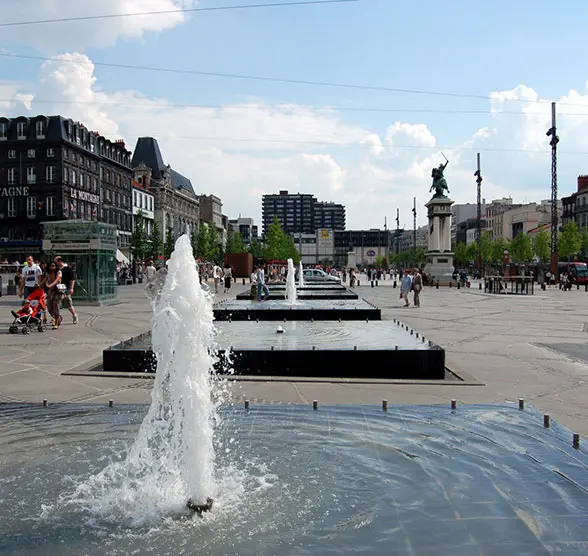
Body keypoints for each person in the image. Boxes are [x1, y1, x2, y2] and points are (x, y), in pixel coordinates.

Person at [54, 256, 78, 324]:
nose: (55, 263)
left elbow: (72, 279)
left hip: (66, 289)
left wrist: (71, 288)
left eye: (56, 262)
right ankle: (57, 318)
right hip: (57, 289)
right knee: (56, 304)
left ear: (59, 261)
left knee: (68, 304)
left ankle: (74, 315)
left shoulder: (68, 269)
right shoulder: (57, 269)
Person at [45, 261, 63, 329]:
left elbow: (56, 280)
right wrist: (40, 284)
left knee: (56, 307)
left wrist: (50, 285)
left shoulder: (59, 272)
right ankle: (58, 318)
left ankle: (56, 324)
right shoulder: (48, 273)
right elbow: (45, 280)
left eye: (53, 266)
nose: (52, 267)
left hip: (57, 292)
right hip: (50, 292)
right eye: (51, 266)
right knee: (49, 307)